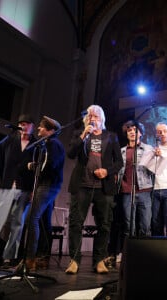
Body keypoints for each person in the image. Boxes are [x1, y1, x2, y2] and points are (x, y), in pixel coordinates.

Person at [65, 105, 123, 275]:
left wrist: (107, 171)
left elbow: (118, 162)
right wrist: (84, 134)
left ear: (102, 118)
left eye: (96, 116)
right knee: (76, 223)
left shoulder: (111, 136)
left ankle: (99, 260)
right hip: (81, 185)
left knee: (104, 225)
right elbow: (70, 154)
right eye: (90, 116)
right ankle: (74, 260)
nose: (93, 118)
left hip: (103, 188)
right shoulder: (79, 134)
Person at [19, 116, 65, 272]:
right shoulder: (45, 145)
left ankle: (30, 258)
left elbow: (52, 165)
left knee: (32, 218)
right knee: (39, 221)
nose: (38, 128)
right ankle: (36, 257)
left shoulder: (55, 145)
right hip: (43, 185)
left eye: (41, 127)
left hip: (49, 186)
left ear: (50, 130)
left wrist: (34, 166)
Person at [0, 114, 36, 268]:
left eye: (27, 123)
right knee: (2, 221)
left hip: (24, 188)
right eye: (21, 123)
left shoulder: (36, 144)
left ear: (32, 126)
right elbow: (1, 161)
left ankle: (9, 258)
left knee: (17, 223)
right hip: (7, 186)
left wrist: (33, 190)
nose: (23, 126)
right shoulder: (9, 141)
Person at [118, 120, 153, 240]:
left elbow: (153, 169)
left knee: (145, 226)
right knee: (128, 226)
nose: (132, 132)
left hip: (144, 191)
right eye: (129, 130)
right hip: (127, 192)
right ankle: (128, 254)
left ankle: (145, 256)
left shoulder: (148, 149)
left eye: (134, 129)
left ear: (141, 133)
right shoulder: (122, 151)